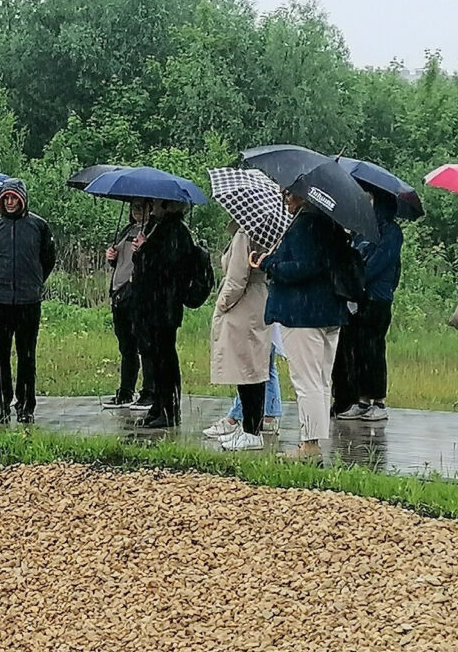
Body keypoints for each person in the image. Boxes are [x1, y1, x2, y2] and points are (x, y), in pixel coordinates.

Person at [262, 186, 350, 459]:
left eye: (290, 193)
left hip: (303, 314)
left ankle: (309, 445)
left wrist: (270, 264)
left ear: (305, 195)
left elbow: (301, 267)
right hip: (329, 311)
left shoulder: (305, 224)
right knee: (321, 380)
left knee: (307, 381)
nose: (286, 198)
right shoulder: (332, 224)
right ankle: (315, 441)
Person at [0, 181, 57, 424]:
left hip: (28, 301)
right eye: (6, 199)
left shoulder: (39, 225)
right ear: (1, 202)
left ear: (22, 199)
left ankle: (25, 405)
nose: (10, 203)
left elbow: (48, 259)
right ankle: (0, 404)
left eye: (14, 198)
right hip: (0, 300)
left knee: (26, 355)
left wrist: (34, 281)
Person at [128, 199, 203, 429]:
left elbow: (166, 267)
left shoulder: (175, 231)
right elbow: (146, 263)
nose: (151, 206)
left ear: (168, 205)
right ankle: (158, 406)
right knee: (155, 357)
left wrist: (145, 249)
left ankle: (169, 410)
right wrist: (140, 251)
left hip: (164, 307)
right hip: (152, 306)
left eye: (157, 203)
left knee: (165, 360)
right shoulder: (156, 227)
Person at [206, 222, 277, 451]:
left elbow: (237, 278)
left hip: (244, 304)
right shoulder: (269, 230)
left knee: (247, 370)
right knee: (253, 367)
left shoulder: (245, 233)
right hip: (260, 299)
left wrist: (222, 303)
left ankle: (251, 431)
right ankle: (250, 428)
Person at [332, 195, 402, 421]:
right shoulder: (365, 230)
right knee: (358, 350)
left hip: (378, 298)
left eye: (372, 202)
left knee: (374, 350)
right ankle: (362, 400)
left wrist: (358, 278)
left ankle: (379, 401)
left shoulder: (391, 232)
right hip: (359, 297)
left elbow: (380, 262)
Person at [102, 202, 149, 409]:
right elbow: (121, 261)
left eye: (141, 206)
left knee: (144, 346)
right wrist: (112, 257)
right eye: (133, 207)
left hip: (137, 295)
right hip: (119, 294)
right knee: (126, 347)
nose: (136, 210)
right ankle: (126, 391)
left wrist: (144, 249)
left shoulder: (152, 231)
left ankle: (149, 391)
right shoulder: (127, 230)